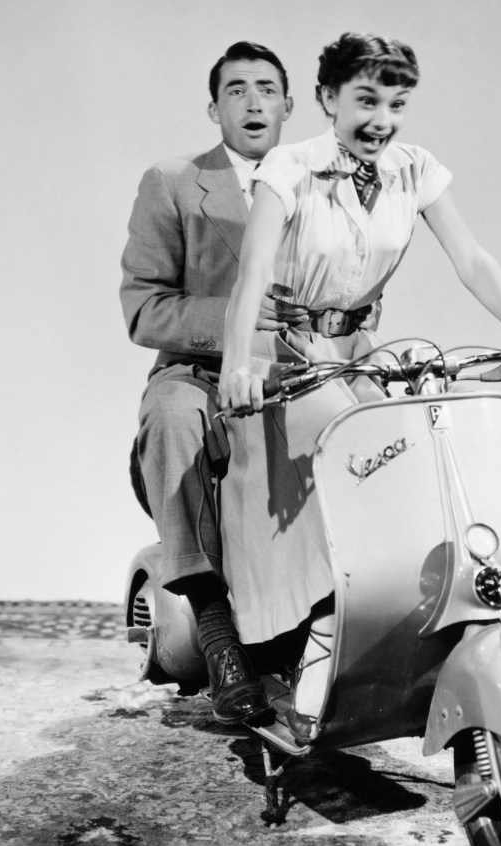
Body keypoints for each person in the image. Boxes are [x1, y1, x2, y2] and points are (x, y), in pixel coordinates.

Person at [218, 32, 501, 742]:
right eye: (365, 99)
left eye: (395, 102)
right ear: (327, 99)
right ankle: (317, 649)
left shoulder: (413, 170)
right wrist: (239, 364)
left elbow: (473, 259)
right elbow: (253, 273)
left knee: (420, 462)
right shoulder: (287, 170)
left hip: (361, 346)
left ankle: (416, 639)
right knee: (348, 476)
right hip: (288, 350)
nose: (381, 117)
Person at [120, 41, 303, 726]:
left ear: (290, 104)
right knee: (170, 416)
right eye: (236, 90)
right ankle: (216, 630)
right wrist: (238, 315)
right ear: (213, 107)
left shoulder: (320, 183)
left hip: (299, 374)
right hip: (199, 373)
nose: (253, 101)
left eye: (266, 88)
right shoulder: (172, 182)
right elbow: (144, 308)